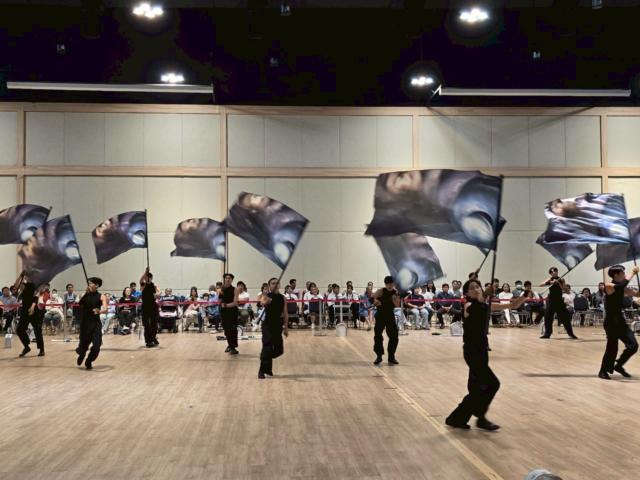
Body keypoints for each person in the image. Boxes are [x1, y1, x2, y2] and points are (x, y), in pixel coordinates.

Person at [445, 279, 526, 431]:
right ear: (467, 293)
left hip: (482, 349)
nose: (476, 289)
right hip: (472, 351)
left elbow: (513, 305)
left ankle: (458, 418)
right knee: (493, 384)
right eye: (472, 288)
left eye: (478, 287)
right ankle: (477, 417)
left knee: (476, 387)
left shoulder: (485, 305)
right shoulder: (468, 305)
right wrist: (486, 294)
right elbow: (474, 308)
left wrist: (525, 294)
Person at [598, 265, 640, 380]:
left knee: (633, 345)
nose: (624, 275)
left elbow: (637, 294)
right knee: (612, 347)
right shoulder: (608, 286)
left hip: (620, 321)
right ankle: (603, 371)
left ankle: (619, 365)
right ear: (616, 275)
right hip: (610, 321)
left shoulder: (622, 288)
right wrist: (633, 272)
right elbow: (621, 285)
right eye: (623, 273)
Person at [258, 277, 289, 379]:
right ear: (269, 286)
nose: (275, 285)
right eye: (273, 283)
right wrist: (266, 301)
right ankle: (262, 371)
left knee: (279, 350)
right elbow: (262, 302)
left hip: (278, 325)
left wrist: (286, 328)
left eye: (277, 283)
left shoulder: (282, 298)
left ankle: (264, 358)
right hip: (267, 325)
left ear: (279, 285)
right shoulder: (266, 296)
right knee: (267, 347)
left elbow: (285, 313)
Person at [76, 277, 108, 370]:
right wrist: (86, 293)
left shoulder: (101, 296)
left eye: (90, 283)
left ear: (96, 285)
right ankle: (82, 354)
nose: (89, 285)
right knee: (83, 346)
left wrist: (99, 311)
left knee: (97, 345)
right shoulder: (85, 294)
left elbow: (105, 309)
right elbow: (80, 303)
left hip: (95, 324)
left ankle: (89, 360)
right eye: (88, 283)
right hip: (85, 324)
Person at [539, 267, 577, 339]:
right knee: (548, 318)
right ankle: (547, 334)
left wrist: (559, 283)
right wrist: (550, 282)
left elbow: (566, 290)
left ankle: (571, 333)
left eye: (555, 271)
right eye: (552, 272)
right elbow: (540, 284)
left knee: (565, 318)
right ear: (550, 273)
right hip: (551, 301)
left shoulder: (561, 280)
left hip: (559, 301)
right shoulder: (549, 279)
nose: (554, 272)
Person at [14, 271, 44, 357]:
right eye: (26, 275)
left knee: (37, 329)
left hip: (34, 310)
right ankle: (26, 346)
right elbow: (15, 286)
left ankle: (41, 349)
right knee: (20, 329)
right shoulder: (23, 285)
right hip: (24, 310)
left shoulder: (37, 285)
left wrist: (32, 307)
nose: (28, 277)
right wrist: (21, 275)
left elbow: (36, 297)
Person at [372, 276, 401, 365]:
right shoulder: (380, 291)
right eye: (388, 284)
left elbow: (397, 305)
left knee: (394, 337)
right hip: (380, 315)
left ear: (393, 284)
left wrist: (396, 297)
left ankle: (391, 357)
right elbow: (372, 299)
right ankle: (379, 356)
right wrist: (375, 301)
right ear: (385, 284)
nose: (389, 285)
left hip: (390, 316)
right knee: (378, 336)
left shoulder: (396, 292)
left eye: (391, 284)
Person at [220, 273, 240, 354]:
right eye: (226, 278)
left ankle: (233, 347)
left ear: (232, 280)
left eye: (229, 278)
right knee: (226, 330)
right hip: (224, 312)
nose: (227, 279)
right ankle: (230, 345)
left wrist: (225, 305)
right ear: (224, 279)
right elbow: (219, 300)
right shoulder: (222, 289)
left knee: (232, 330)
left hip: (232, 312)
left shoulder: (235, 289)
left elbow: (235, 303)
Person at [140, 267, 159, 348]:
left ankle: (153, 337)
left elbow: (158, 292)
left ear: (151, 278)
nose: (148, 279)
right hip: (145, 307)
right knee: (147, 325)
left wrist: (158, 294)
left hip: (153, 306)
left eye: (150, 277)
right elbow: (141, 280)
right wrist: (145, 272)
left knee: (154, 324)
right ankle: (148, 341)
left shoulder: (154, 285)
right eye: (147, 277)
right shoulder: (143, 285)